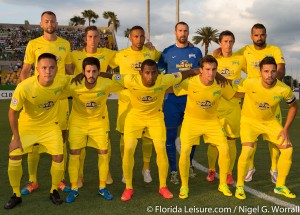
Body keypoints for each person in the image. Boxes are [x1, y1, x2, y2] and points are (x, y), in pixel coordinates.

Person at [4, 53, 71, 209]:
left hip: (49, 126)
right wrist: (16, 137)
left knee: (59, 156)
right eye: (44, 67)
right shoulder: (24, 87)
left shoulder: (62, 81)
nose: (48, 71)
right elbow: (12, 112)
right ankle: (16, 194)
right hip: (28, 126)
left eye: (52, 67)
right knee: (14, 155)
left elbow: (79, 79)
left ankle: (53, 190)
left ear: (57, 69)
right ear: (37, 70)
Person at [174, 55, 243, 199]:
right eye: (207, 69)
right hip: (191, 122)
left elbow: (235, 95)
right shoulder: (190, 83)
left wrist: (255, 93)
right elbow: (172, 85)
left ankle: (222, 184)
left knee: (224, 148)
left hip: (212, 122)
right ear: (201, 70)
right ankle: (184, 186)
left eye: (213, 69)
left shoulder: (220, 84)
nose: (210, 73)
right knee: (185, 151)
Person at [19, 11, 72, 195]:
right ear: (41, 24)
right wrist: (25, 94)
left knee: (62, 138)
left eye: (52, 21)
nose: (50, 23)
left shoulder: (65, 44)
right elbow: (25, 71)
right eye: (46, 21)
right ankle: (33, 180)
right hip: (39, 99)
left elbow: (69, 71)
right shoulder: (33, 44)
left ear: (57, 23)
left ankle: (60, 180)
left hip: (60, 99)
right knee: (33, 142)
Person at [235, 56, 297, 200]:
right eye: (266, 71)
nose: (270, 75)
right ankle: (239, 186)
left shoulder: (283, 89)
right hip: (249, 121)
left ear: (277, 72)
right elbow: (231, 85)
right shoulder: (249, 82)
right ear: (260, 72)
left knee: (288, 150)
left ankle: (280, 186)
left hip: (270, 122)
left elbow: (293, 106)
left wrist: (285, 128)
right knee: (247, 150)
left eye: (273, 71)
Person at [64, 57, 123, 203]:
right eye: (88, 71)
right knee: (74, 153)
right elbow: (56, 84)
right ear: (83, 72)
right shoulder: (74, 84)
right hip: (78, 123)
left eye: (94, 71)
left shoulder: (106, 83)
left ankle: (102, 187)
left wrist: (108, 75)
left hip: (99, 123)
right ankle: (74, 189)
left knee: (103, 152)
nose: (91, 75)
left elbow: (124, 80)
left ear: (99, 72)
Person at [109, 26, 162, 183]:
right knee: (125, 137)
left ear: (145, 38)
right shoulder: (121, 55)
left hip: (147, 103)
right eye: (135, 36)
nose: (139, 40)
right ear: (130, 38)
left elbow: (167, 57)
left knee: (147, 137)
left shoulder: (151, 52)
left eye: (141, 36)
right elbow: (104, 64)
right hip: (126, 103)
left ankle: (146, 168)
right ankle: (127, 170)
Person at [236, 23, 285, 184]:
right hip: (252, 102)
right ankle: (250, 168)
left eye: (262, 34)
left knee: (275, 139)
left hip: (271, 103)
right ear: (251, 37)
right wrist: (217, 53)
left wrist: (270, 83)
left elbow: (281, 70)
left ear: (266, 35)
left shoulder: (275, 50)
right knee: (251, 140)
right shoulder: (245, 50)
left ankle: (274, 169)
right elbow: (230, 57)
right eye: (256, 35)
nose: (259, 37)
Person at [71, 26, 117, 186]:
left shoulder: (107, 54)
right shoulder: (75, 55)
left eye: (95, 36)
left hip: (100, 106)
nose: (92, 40)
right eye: (89, 36)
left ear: (99, 38)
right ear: (85, 38)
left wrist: (149, 47)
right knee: (79, 146)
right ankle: (78, 176)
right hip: (81, 105)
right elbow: (69, 73)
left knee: (105, 144)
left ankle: (106, 172)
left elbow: (127, 58)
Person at [158, 22, 203, 184]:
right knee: (170, 135)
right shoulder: (167, 52)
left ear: (188, 33)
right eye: (180, 31)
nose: (182, 33)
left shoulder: (196, 51)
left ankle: (189, 165)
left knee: (191, 136)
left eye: (185, 31)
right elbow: (160, 71)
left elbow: (203, 72)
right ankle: (173, 170)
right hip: (172, 100)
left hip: (192, 100)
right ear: (175, 32)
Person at [206, 30, 246, 185]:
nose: (228, 44)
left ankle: (229, 173)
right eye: (225, 41)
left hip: (233, 106)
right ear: (220, 43)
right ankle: (211, 169)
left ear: (233, 43)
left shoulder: (240, 59)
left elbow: (254, 74)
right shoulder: (214, 59)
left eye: (230, 41)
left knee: (231, 140)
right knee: (213, 142)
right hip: (215, 106)